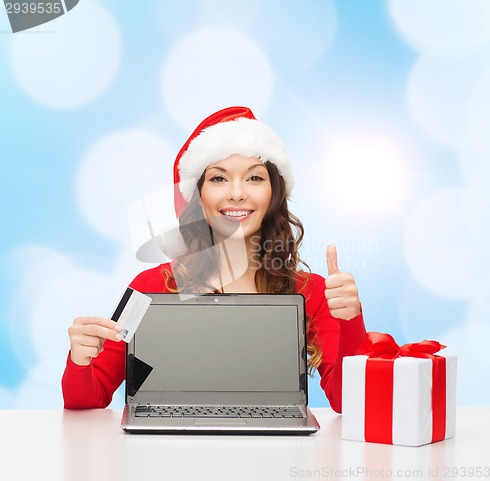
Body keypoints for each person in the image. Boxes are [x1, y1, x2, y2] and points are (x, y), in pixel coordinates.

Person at [62, 106, 367, 413]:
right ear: (198, 195)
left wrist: (351, 319)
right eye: (219, 179)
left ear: (274, 193)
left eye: (254, 178)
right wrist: (79, 358)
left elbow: (351, 404)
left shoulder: (313, 292)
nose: (236, 194)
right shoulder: (149, 286)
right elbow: (87, 398)